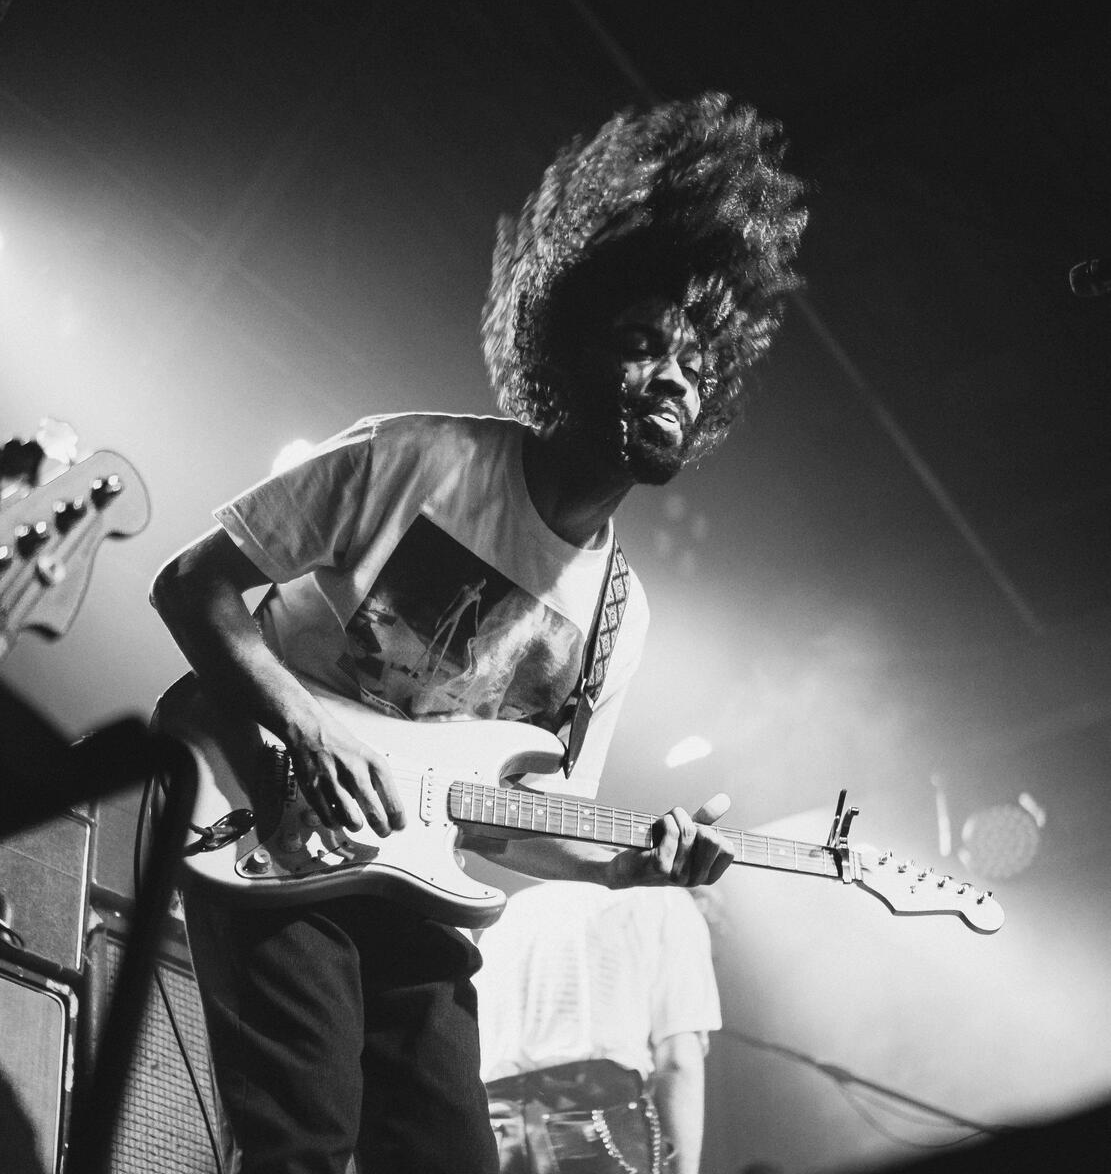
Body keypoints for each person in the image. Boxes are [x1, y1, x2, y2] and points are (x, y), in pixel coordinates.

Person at [149, 92, 806, 1174]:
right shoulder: (417, 459)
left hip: (416, 891)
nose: (671, 379)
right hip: (264, 819)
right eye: (642, 345)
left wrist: (630, 872)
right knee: (304, 1139)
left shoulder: (617, 616)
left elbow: (519, 825)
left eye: (693, 367)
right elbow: (192, 587)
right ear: (570, 348)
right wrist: (311, 728)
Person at [474, 880, 721, 1174]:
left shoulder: (509, 908)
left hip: (495, 1133)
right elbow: (679, 1059)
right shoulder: (669, 900)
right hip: (596, 1123)